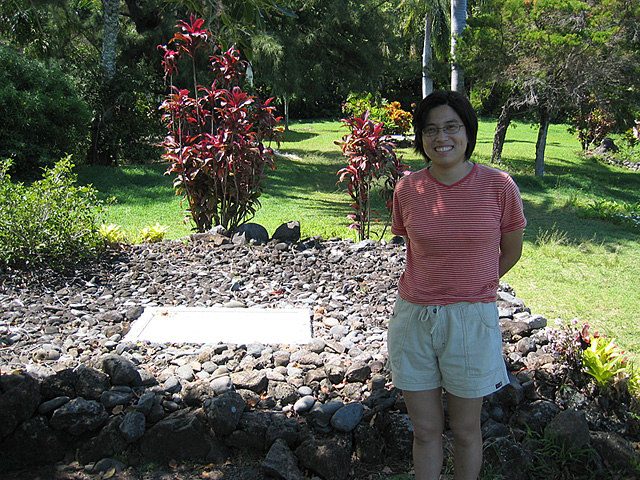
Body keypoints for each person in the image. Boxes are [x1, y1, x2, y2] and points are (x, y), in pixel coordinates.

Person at [388, 90, 527, 480]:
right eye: (430, 129)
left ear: (468, 132)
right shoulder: (407, 190)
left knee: (466, 432)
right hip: (413, 320)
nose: (441, 137)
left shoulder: (500, 186)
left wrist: (476, 285)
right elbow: (414, 247)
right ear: (421, 138)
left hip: (471, 320)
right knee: (426, 430)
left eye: (451, 126)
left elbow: (510, 251)